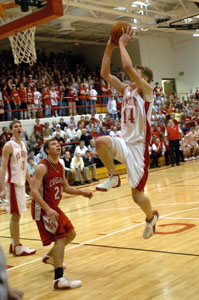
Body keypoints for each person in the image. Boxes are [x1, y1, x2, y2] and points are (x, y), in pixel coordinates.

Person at [95, 27, 158, 239]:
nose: (132, 74)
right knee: (100, 141)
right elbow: (104, 74)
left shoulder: (147, 92)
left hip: (139, 149)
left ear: (145, 79)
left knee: (137, 196)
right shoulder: (126, 90)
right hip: (124, 141)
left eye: (137, 75)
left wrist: (121, 42)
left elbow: (127, 65)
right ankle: (113, 176)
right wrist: (108, 46)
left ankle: (151, 218)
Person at [31, 138, 93, 290]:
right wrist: (47, 209)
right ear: (47, 150)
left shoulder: (59, 165)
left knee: (71, 234)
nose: (57, 145)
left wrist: (82, 192)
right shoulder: (42, 167)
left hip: (53, 207)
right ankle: (58, 279)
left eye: (58, 143)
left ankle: (50, 257)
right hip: (42, 208)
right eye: (53, 144)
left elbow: (65, 187)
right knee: (61, 238)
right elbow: (33, 191)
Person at [0, 120, 36, 256]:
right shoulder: (9, 146)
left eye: (20, 126)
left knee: (17, 215)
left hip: (21, 184)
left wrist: (30, 182)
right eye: (15, 127)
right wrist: (2, 188)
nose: (19, 128)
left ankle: (13, 244)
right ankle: (17, 246)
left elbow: (24, 166)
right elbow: (3, 167)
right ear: (11, 131)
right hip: (13, 183)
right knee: (16, 215)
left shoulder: (23, 144)